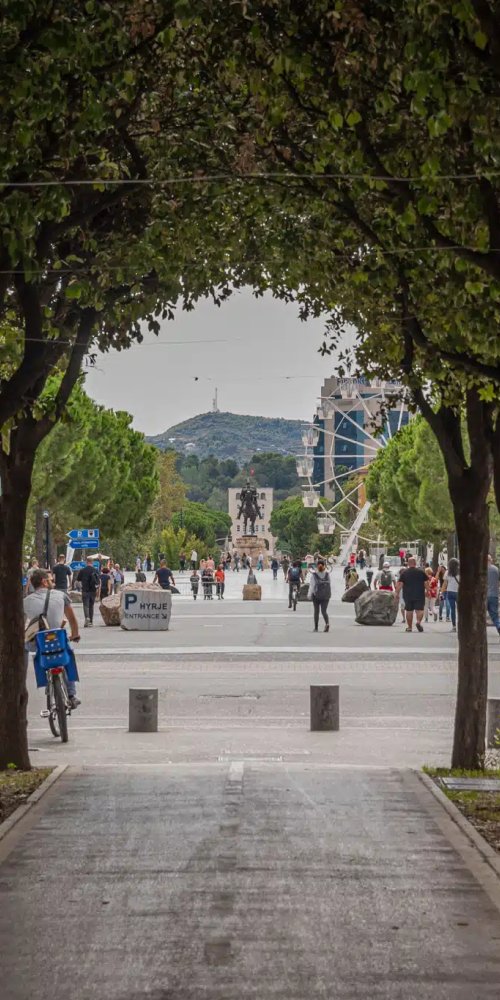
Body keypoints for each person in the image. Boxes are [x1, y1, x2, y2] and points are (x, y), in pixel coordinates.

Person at [24, 568, 81, 708]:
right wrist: (75, 634)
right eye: (50, 580)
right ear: (44, 582)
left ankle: (21, 679)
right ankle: (72, 694)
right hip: (58, 639)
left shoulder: (25, 601)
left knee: (24, 649)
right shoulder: (61, 595)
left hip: (39, 641)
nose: (53, 583)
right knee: (67, 653)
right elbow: (72, 619)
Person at [395, 556, 429, 633]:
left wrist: (396, 593)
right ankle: (418, 622)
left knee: (409, 610)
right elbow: (426, 582)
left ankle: (409, 627)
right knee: (420, 609)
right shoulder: (421, 572)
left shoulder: (404, 572)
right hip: (419, 594)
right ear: (415, 563)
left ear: (408, 563)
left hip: (408, 595)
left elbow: (400, 584)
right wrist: (428, 591)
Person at [308, 558, 331, 632]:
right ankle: (327, 623)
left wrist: (309, 595)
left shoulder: (314, 575)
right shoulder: (327, 574)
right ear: (324, 566)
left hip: (316, 596)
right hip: (326, 596)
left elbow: (312, 586)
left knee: (316, 611)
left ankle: (316, 627)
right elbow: (329, 584)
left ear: (317, 566)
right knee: (324, 611)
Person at [77, 556, 100, 627]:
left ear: (86, 562)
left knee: (85, 605)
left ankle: (87, 618)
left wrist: (80, 588)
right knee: (91, 606)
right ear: (92, 562)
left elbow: (78, 580)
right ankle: (91, 621)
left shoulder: (82, 570)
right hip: (93, 590)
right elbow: (98, 581)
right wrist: (98, 591)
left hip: (85, 590)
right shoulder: (95, 570)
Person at [444, 557, 459, 632]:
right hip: (459, 592)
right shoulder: (460, 572)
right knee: (460, 610)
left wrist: (442, 591)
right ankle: (462, 624)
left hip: (450, 591)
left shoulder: (447, 572)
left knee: (452, 609)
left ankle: (454, 626)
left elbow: (445, 583)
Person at [487, 555, 500, 636]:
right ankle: (499, 625)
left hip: (484, 596)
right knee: (494, 615)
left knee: (480, 615)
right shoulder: (496, 569)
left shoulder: (481, 569)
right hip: (494, 595)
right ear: (490, 560)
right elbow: (498, 583)